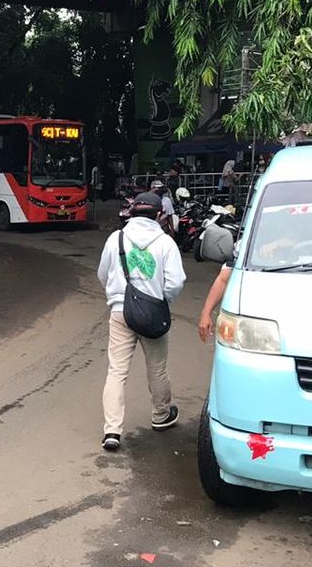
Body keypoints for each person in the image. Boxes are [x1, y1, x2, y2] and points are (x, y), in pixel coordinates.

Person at [96, 192, 187, 451]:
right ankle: (161, 415)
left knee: (116, 371)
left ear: (132, 212)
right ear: (159, 215)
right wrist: (161, 301)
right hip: (154, 314)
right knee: (157, 368)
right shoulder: (165, 243)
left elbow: (103, 274)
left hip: (120, 312)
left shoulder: (116, 238)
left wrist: (117, 297)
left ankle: (112, 430)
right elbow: (176, 282)